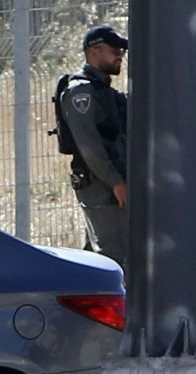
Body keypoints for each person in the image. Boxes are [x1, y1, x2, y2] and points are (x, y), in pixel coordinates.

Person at [59, 25, 129, 269]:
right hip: (101, 186)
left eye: (122, 50)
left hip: (109, 185)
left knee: (95, 257)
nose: (120, 55)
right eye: (114, 50)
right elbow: (89, 146)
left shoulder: (106, 92)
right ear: (94, 52)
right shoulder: (81, 93)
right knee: (113, 258)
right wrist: (116, 182)